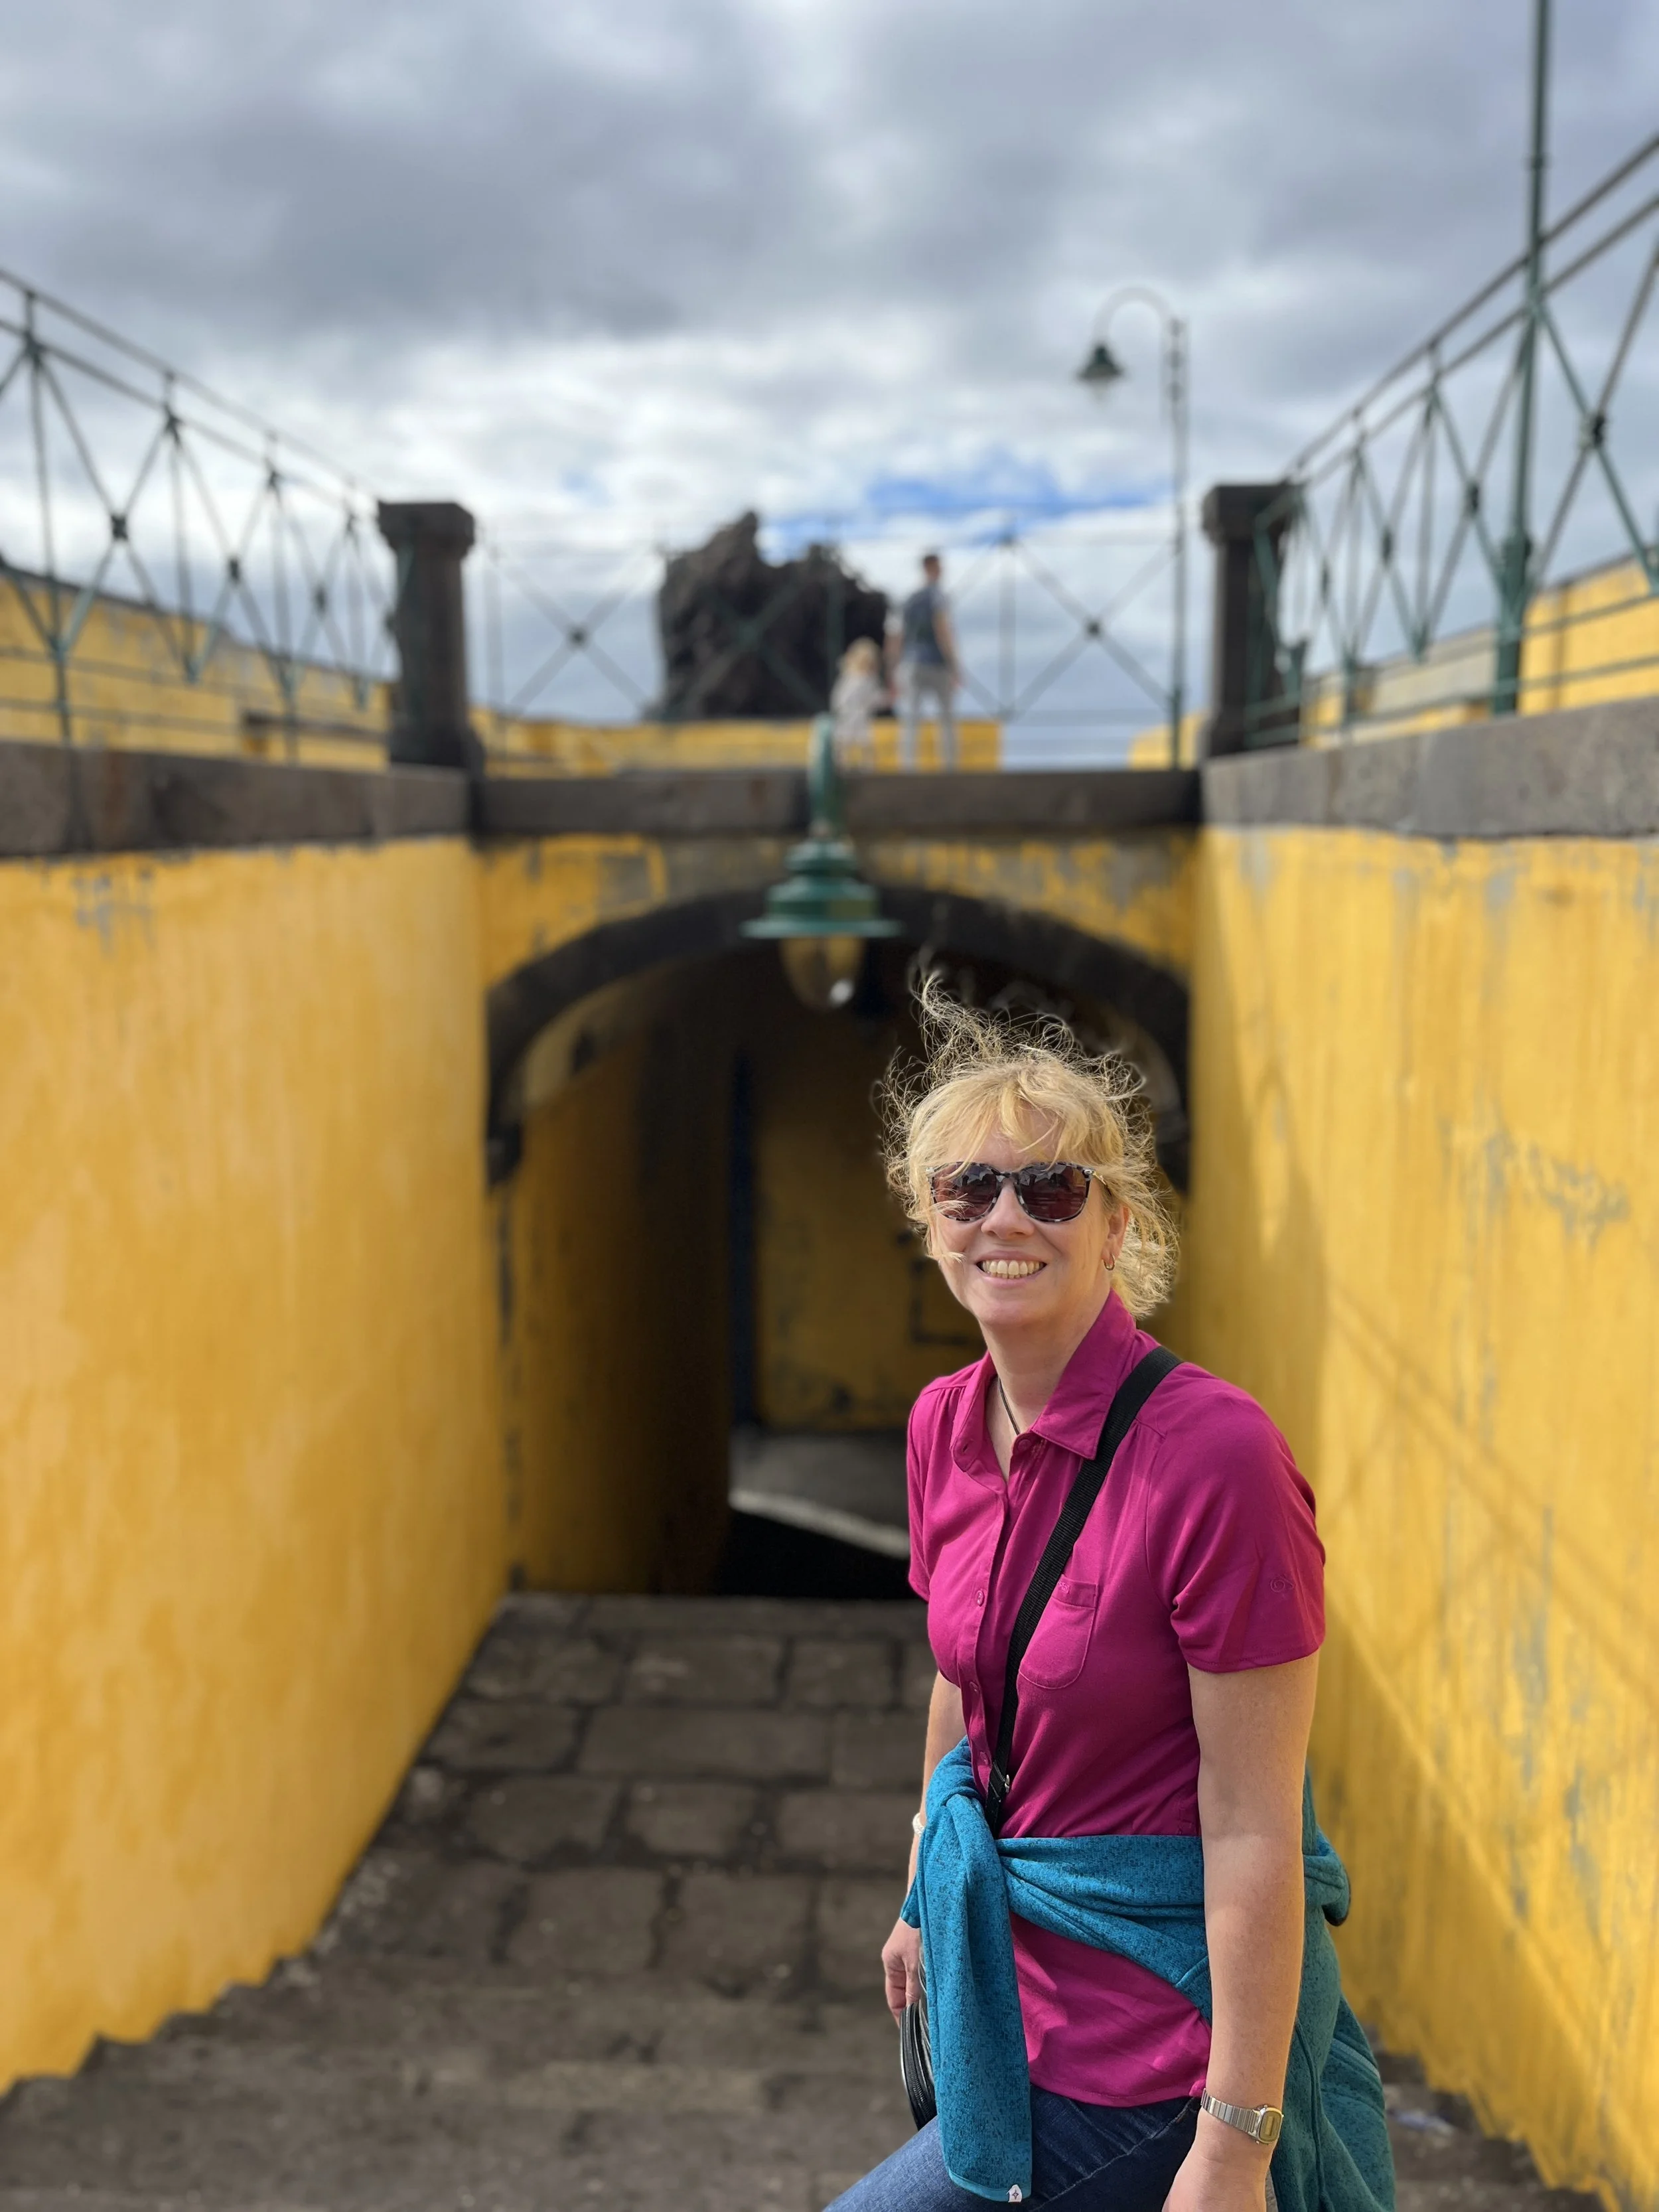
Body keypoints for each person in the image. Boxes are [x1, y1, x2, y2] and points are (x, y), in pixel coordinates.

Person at [829, 985, 1391, 2212]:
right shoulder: (941, 1423)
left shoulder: (1215, 1457)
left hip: (1157, 2040)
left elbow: (1253, 1825)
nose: (1006, 1215)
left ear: (1116, 1221)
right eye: (966, 1187)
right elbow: (962, 1682)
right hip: (1010, 2000)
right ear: (929, 1220)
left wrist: (1234, 2146)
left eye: (1053, 1187)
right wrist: (928, 1889)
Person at [890, 552, 961, 770]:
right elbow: (943, 630)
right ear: (932, 568)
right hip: (936, 663)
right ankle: (949, 768)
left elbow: (895, 637)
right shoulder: (937, 596)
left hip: (910, 664)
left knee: (910, 719)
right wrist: (954, 665)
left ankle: (908, 768)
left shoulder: (907, 599)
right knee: (947, 719)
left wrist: (891, 670)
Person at [831, 634, 887, 767]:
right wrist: (886, 698)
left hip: (851, 716)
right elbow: (873, 699)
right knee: (852, 742)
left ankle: (858, 765)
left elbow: (838, 699)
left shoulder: (849, 678)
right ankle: (854, 765)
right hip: (854, 716)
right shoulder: (860, 679)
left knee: (852, 742)